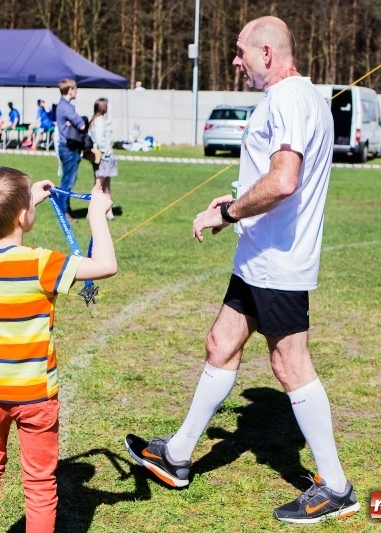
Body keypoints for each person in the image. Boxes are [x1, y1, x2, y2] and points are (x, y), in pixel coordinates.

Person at [124, 16, 360, 525]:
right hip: (258, 256)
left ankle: (337, 487)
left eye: (240, 51)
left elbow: (284, 181)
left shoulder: (291, 99)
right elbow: (269, 181)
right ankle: (179, 455)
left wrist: (226, 214)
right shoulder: (295, 99)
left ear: (268, 53)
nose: (235, 60)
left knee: (289, 364)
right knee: (220, 344)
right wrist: (238, 201)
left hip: (279, 261)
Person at [0, 166, 117, 533]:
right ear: (22, 216)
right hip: (35, 396)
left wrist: (26, 199)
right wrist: (97, 215)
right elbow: (106, 266)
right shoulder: (41, 263)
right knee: (39, 483)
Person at [56, 79, 86, 220]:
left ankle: (65, 210)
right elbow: (81, 125)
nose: (77, 91)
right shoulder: (66, 106)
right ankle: (64, 212)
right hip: (69, 149)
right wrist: (80, 122)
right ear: (70, 90)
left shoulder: (62, 105)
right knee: (67, 182)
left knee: (67, 180)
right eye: (75, 88)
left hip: (66, 148)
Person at [88, 97, 117, 219]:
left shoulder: (98, 120)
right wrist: (107, 152)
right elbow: (100, 141)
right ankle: (91, 211)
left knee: (106, 185)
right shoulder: (99, 121)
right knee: (99, 184)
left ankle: (108, 212)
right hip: (103, 156)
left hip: (103, 156)